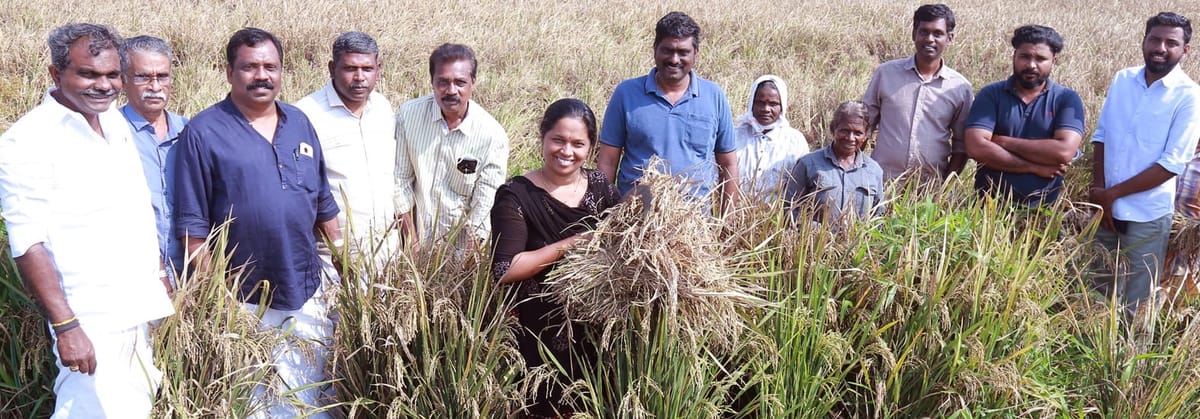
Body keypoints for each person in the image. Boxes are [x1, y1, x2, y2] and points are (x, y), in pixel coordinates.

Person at [0, 23, 174, 417]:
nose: (104, 85)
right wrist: (67, 327)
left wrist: (156, 272)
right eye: (88, 74)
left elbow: (131, 210)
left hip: (135, 308)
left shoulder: (113, 122)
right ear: (56, 74)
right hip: (90, 318)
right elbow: (28, 243)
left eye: (113, 74)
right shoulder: (28, 140)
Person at [174, 27, 341, 417]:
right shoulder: (204, 132)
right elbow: (192, 229)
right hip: (244, 296)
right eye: (250, 67)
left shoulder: (298, 122)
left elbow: (323, 203)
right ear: (229, 71)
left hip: (307, 284)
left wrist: (344, 264)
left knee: (312, 390)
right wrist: (220, 297)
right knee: (258, 398)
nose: (261, 75)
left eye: (270, 66)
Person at [491, 98, 621, 417]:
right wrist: (573, 243)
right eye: (558, 140)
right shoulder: (516, 195)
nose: (566, 151)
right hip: (538, 335)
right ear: (543, 138)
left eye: (578, 144)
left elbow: (623, 239)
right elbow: (506, 268)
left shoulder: (602, 189)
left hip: (593, 330)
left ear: (591, 149)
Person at [1089, 12, 1200, 314]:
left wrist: (1112, 195)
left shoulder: (1189, 96)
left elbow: (1172, 163)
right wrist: (1099, 190)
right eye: (1155, 39)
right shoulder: (1123, 79)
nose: (1160, 48)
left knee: (1138, 297)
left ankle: (1130, 358)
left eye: (1171, 43)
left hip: (1148, 212)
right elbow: (1101, 136)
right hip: (1104, 205)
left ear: (1185, 50)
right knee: (1097, 283)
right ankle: (1088, 346)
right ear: (1144, 40)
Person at [596, 11, 739, 211]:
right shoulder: (626, 93)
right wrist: (605, 214)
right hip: (634, 218)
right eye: (667, 50)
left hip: (694, 222)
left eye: (683, 52)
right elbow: (608, 161)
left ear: (695, 53)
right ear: (655, 49)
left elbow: (729, 164)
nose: (674, 59)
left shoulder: (714, 96)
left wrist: (728, 217)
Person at [394, 43, 509, 248]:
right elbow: (400, 180)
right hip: (410, 242)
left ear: (473, 82)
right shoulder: (408, 115)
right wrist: (412, 243)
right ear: (432, 81)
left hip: (460, 249)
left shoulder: (492, 135)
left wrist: (464, 265)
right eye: (443, 82)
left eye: (460, 82)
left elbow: (484, 205)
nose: (451, 91)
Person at [296, 31, 397, 264]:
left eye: (367, 69)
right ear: (332, 68)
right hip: (332, 253)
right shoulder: (306, 114)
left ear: (378, 69)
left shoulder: (382, 107)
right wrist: (337, 247)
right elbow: (305, 188)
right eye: (350, 69)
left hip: (386, 250)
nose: (359, 77)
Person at [964, 25, 1086, 206]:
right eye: (1025, 56)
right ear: (1014, 56)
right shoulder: (991, 94)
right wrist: (1034, 167)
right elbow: (976, 147)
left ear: (1054, 61)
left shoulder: (1066, 99)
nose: (1031, 65)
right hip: (987, 210)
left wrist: (1004, 141)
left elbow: (1064, 151)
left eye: (1040, 59)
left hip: (1043, 211)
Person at [864, 3, 974, 181]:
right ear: (914, 33)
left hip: (928, 188)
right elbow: (864, 126)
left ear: (950, 38)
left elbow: (961, 146)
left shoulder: (960, 88)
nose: (930, 39)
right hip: (881, 181)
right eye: (924, 31)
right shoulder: (886, 74)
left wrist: (943, 188)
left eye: (938, 33)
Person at [119, 35, 189, 282]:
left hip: (192, 274)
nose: (155, 86)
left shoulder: (190, 132)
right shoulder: (110, 134)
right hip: (132, 275)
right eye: (143, 77)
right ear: (123, 80)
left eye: (162, 76)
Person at [785, 101, 884, 223]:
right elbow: (789, 210)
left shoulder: (873, 171)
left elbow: (878, 217)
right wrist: (816, 232)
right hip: (815, 241)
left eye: (858, 133)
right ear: (833, 129)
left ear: (866, 135)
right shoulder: (808, 164)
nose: (850, 138)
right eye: (844, 130)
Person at [735, 75, 809, 201]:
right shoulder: (734, 135)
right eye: (760, 103)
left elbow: (802, 184)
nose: (766, 109)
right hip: (737, 212)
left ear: (782, 106)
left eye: (773, 104)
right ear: (751, 103)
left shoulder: (795, 141)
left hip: (777, 216)